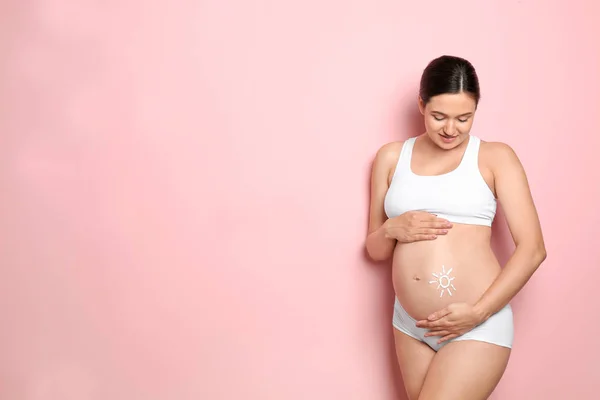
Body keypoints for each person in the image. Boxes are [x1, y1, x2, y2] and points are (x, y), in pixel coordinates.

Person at [365, 55, 547, 400]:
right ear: (422, 105)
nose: (451, 129)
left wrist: (478, 312)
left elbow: (533, 248)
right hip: (410, 324)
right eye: (439, 117)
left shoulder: (495, 157)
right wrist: (391, 229)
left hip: (475, 321)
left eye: (464, 118)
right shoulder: (391, 157)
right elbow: (374, 250)